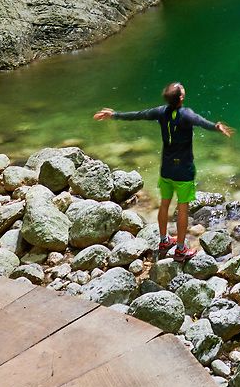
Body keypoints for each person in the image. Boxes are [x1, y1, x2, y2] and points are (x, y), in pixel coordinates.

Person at [94, 82, 232, 258]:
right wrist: (216, 127)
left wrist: (114, 115)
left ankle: (164, 240)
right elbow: (202, 123)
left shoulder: (161, 111)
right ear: (181, 97)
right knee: (183, 208)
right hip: (184, 170)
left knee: (165, 204)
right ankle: (181, 249)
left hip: (167, 169)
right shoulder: (187, 114)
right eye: (181, 88)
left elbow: (138, 115)